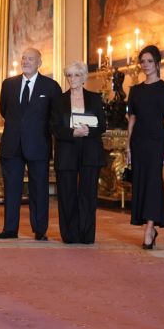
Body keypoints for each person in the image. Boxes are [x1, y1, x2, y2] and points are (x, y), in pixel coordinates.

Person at [0, 48, 61, 241]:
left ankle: (40, 229)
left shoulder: (51, 86)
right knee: (11, 189)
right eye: (24, 58)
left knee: (39, 189)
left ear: (39, 62)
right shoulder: (8, 85)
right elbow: (4, 111)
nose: (26, 61)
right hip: (12, 144)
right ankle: (10, 229)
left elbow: (54, 116)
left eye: (31, 59)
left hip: (38, 145)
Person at [50, 61, 106, 244]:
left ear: (83, 77)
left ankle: (86, 235)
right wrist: (72, 132)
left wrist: (90, 131)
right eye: (69, 75)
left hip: (90, 151)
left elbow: (103, 126)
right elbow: (54, 127)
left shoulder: (95, 99)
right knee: (67, 194)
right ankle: (70, 235)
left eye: (76, 75)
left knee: (88, 194)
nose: (72, 79)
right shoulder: (58, 100)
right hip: (67, 150)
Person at [127, 45, 164, 250]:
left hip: (157, 141)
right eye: (142, 62)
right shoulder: (135, 90)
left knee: (154, 182)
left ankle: (149, 228)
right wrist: (128, 148)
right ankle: (148, 227)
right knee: (141, 183)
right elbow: (131, 120)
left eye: (148, 61)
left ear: (157, 63)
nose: (145, 65)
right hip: (138, 142)